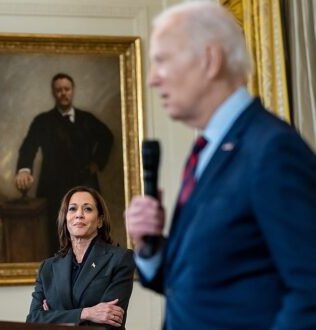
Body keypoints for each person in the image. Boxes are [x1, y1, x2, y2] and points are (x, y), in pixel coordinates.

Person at [125, 1, 316, 329]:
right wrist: (150, 247)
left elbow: (310, 290)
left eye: (162, 61)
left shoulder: (272, 149)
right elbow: (201, 281)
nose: (153, 79)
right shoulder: (208, 150)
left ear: (210, 60)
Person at [15, 73, 113, 254]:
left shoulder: (86, 119)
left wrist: (97, 162)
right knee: (56, 239)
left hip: (85, 185)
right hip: (54, 189)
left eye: (66, 89)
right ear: (54, 93)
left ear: (72, 91)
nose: (63, 93)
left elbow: (107, 137)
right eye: (59, 90)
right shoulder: (42, 121)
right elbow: (29, 146)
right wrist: (24, 169)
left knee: (91, 235)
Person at [27, 185, 135, 329]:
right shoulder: (47, 268)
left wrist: (54, 315)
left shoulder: (120, 259)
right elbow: (33, 320)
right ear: (65, 219)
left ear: (100, 221)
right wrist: (86, 313)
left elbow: (109, 322)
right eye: (72, 209)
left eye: (87, 209)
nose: (79, 214)